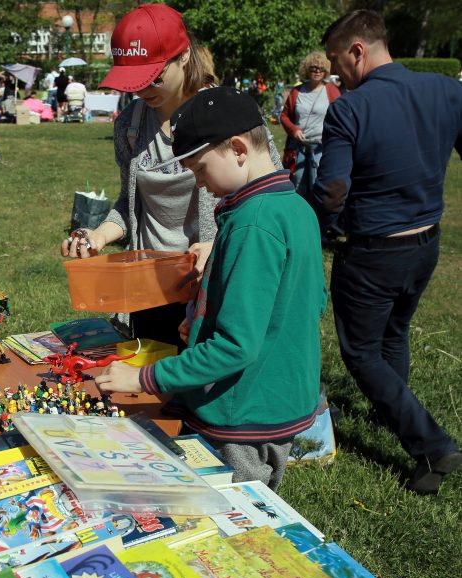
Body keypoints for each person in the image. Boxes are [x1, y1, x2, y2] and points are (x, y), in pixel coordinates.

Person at [97, 87, 325, 490]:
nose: (201, 184)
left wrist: (144, 379)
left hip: (242, 412)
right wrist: (206, 311)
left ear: (237, 149)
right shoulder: (295, 208)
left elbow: (235, 346)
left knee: (228, 514)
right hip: (279, 399)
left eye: (200, 169)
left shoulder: (253, 224)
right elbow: (309, 301)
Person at [62, 4, 280, 347]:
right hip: (149, 287)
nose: (142, 90)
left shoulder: (228, 114)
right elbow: (130, 203)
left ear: (183, 57)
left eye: (153, 77)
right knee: (153, 385)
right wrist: (100, 235)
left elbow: (271, 198)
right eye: (132, 82)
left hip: (212, 284)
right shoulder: (130, 126)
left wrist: (216, 245)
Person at [311, 10, 462, 494]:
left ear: (358, 50)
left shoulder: (350, 108)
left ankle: (433, 447)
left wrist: (318, 230)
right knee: (393, 333)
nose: (337, 74)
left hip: (373, 251)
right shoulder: (446, 90)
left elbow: (333, 188)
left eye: (337, 61)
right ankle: (393, 416)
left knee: (361, 353)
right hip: (425, 243)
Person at [280, 52, 340, 199]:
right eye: (313, 68)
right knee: (297, 181)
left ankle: (319, 217)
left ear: (325, 70)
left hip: (321, 146)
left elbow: (340, 117)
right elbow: (284, 116)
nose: (317, 71)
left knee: (318, 183)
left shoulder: (332, 91)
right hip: (298, 146)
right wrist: (293, 130)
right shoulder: (297, 92)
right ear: (307, 69)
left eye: (320, 68)